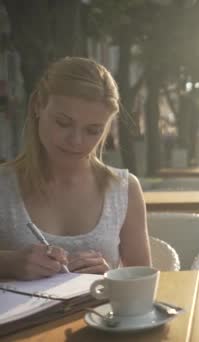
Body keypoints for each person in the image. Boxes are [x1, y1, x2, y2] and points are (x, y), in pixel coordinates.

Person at [0, 57, 151, 280]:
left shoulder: (124, 189)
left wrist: (111, 276)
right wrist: (9, 263)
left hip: (100, 316)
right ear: (37, 107)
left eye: (93, 130)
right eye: (63, 122)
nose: (76, 141)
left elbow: (144, 281)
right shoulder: (4, 185)